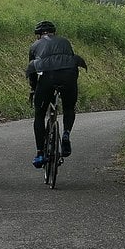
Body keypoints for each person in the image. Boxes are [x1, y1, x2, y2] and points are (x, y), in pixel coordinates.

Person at [26, 20, 87, 168]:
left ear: (38, 35)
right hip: (69, 76)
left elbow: (33, 71)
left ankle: (40, 153)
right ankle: (66, 133)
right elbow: (72, 63)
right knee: (68, 108)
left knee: (39, 114)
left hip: (48, 77)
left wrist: (34, 88)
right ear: (54, 32)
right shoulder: (65, 41)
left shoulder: (35, 45)